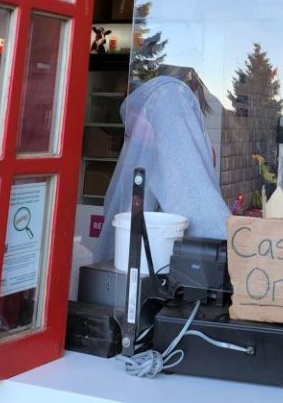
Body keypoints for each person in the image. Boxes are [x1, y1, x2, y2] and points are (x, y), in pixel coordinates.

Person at [94, 65, 231, 266]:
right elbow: (191, 195)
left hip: (145, 252)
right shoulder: (170, 100)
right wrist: (235, 240)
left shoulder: (152, 117)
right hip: (156, 258)